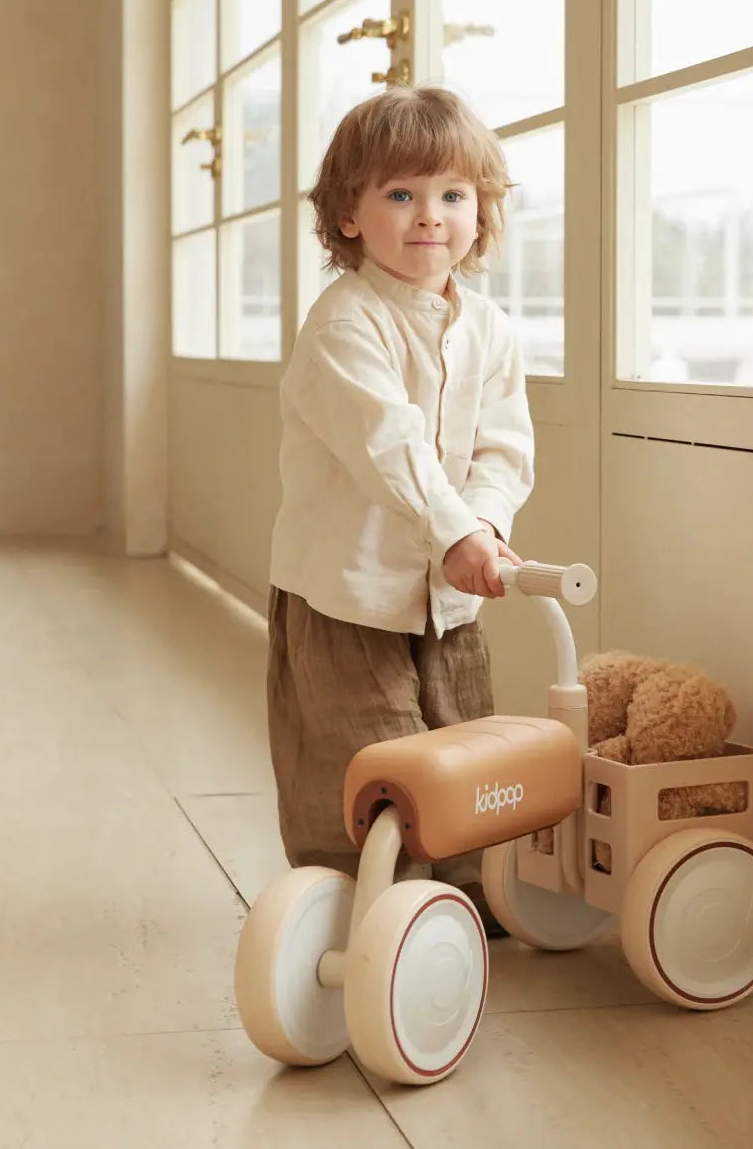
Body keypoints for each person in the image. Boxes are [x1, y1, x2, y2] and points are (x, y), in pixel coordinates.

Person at [266, 85, 534, 934]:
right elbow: (389, 447)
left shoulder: (490, 329)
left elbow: (502, 448)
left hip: (450, 597)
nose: (429, 216)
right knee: (367, 753)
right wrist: (453, 532)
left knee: (462, 742)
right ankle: (361, 903)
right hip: (347, 593)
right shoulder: (344, 324)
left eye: (452, 195)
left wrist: (483, 527)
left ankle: (470, 896)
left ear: (480, 213)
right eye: (400, 194)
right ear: (349, 214)